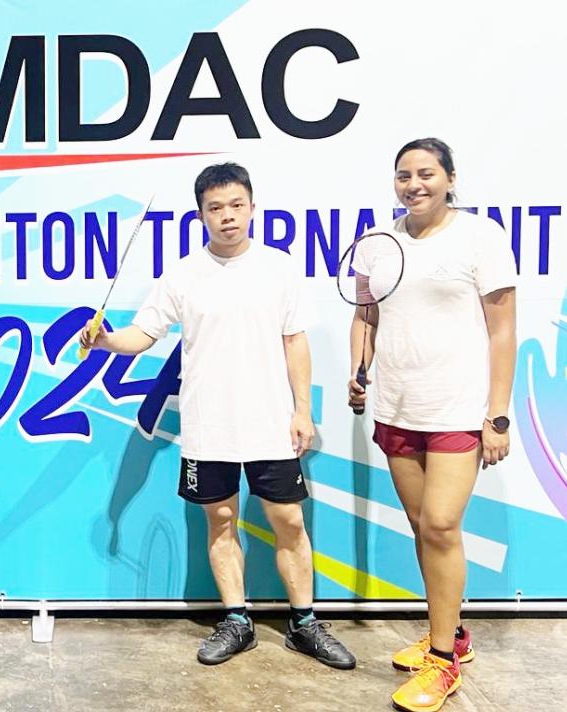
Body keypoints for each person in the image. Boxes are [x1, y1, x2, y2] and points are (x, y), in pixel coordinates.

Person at [80, 163, 356, 670]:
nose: (227, 216)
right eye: (215, 208)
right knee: (221, 520)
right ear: (201, 215)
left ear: (252, 207)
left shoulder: (279, 268)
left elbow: (295, 342)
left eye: (236, 205)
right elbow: (143, 335)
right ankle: (236, 620)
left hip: (271, 423)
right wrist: (106, 341)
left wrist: (303, 410)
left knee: (289, 520)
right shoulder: (182, 275)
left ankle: (304, 624)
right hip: (208, 426)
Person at [349, 138, 516, 712]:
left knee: (442, 525)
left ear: (449, 177)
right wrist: (359, 370)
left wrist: (497, 415)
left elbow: (502, 331)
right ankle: (451, 633)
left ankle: (443, 662)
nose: (414, 184)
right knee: (424, 527)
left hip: (458, 409)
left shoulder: (481, 237)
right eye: (404, 175)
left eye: (426, 173)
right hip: (397, 407)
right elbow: (365, 316)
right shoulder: (376, 244)